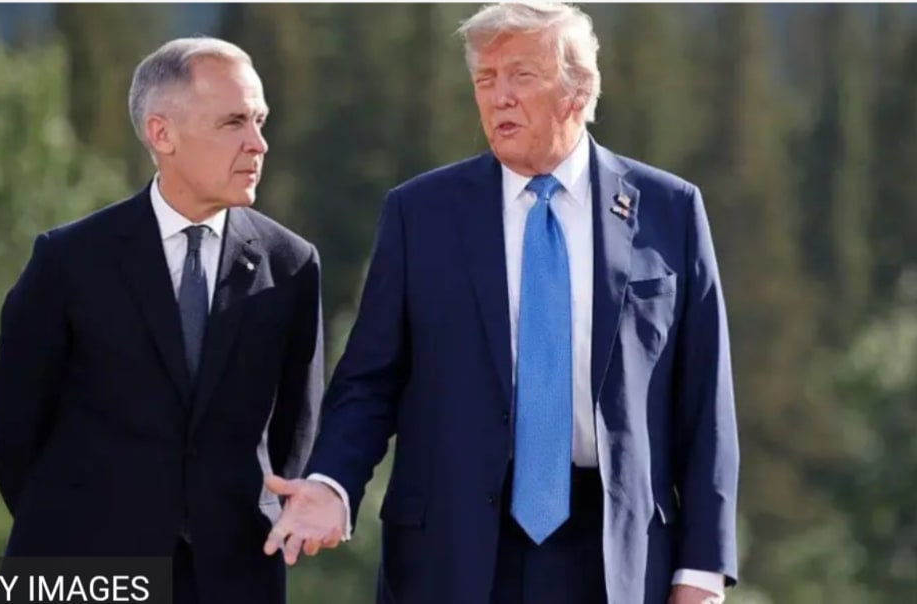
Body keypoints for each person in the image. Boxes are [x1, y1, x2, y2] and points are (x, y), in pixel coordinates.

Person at [263, 3, 739, 604]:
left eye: (521, 75)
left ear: (579, 89)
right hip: (452, 552)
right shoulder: (420, 213)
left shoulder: (670, 210)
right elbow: (370, 380)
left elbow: (705, 400)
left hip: (616, 557)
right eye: (485, 79)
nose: (499, 97)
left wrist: (701, 570)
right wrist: (332, 483)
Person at [0, 37, 324, 604]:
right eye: (234, 122)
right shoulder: (68, 262)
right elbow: (15, 432)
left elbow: (296, 430)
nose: (258, 143)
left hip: (234, 578)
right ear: (161, 133)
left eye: (260, 120)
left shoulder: (290, 265)